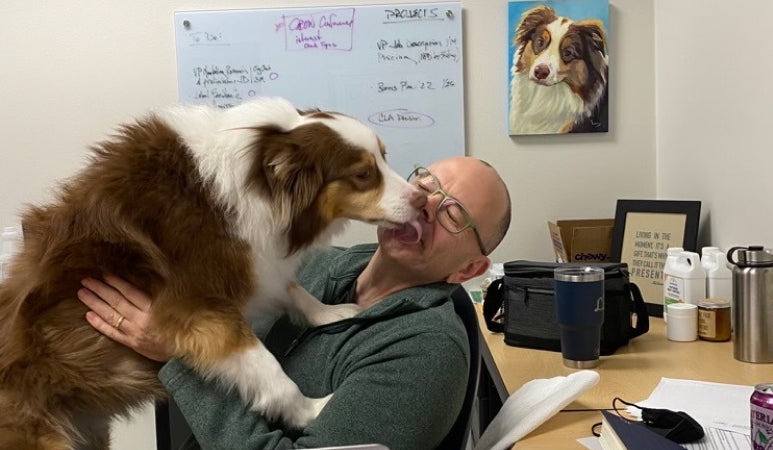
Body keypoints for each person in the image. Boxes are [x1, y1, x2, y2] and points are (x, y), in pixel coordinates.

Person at [77, 156, 512, 450]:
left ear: (468, 271)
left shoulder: (426, 353)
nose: (425, 204)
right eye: (425, 182)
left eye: (454, 214)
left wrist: (185, 352)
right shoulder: (317, 264)